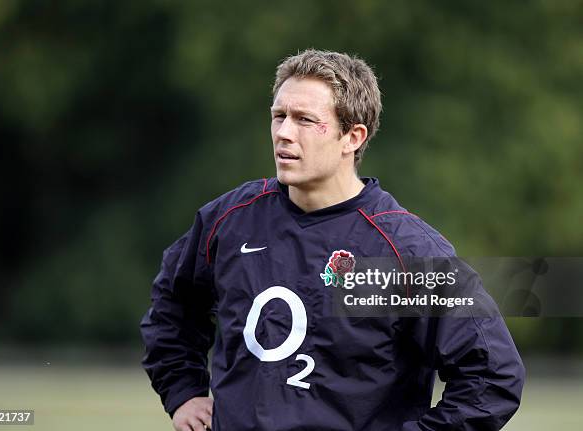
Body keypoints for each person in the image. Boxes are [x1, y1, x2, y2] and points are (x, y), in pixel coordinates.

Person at [140, 49, 525, 431]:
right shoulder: (229, 221)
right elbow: (173, 304)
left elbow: (491, 376)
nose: (284, 133)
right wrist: (183, 391)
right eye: (279, 116)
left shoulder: (407, 252)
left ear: (352, 137)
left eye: (305, 120)